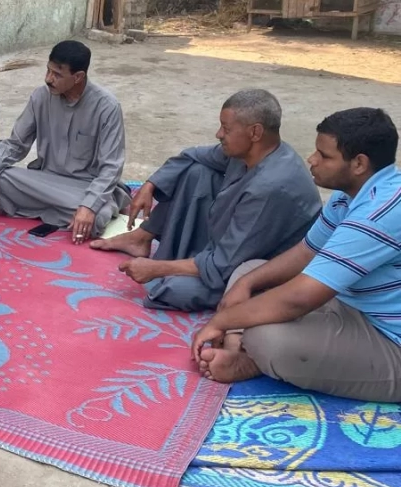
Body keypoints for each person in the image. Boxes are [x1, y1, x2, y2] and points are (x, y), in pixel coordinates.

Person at [193, 108, 401, 402]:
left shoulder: (380, 213)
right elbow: (306, 253)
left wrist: (221, 321)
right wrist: (246, 285)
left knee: (268, 339)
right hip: (353, 305)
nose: (312, 160)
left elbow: (299, 298)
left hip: (390, 340)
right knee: (250, 271)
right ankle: (236, 349)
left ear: (359, 163)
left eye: (324, 155)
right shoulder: (350, 195)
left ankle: (252, 357)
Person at [93, 89, 320, 311]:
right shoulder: (250, 151)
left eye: (226, 128)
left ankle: (180, 263)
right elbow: (192, 154)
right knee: (196, 172)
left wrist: (156, 268)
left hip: (258, 263)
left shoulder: (270, 188)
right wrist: (149, 185)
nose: (218, 134)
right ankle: (141, 237)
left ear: (255, 132)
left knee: (174, 289)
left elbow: (223, 264)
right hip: (233, 242)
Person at [0, 40, 130, 242]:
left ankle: (93, 208)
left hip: (84, 186)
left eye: (57, 74)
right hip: (46, 179)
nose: (48, 79)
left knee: (95, 216)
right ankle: (79, 212)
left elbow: (111, 167)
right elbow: (16, 144)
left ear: (78, 77)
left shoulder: (107, 107)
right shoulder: (40, 97)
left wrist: (88, 205)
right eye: (48, 71)